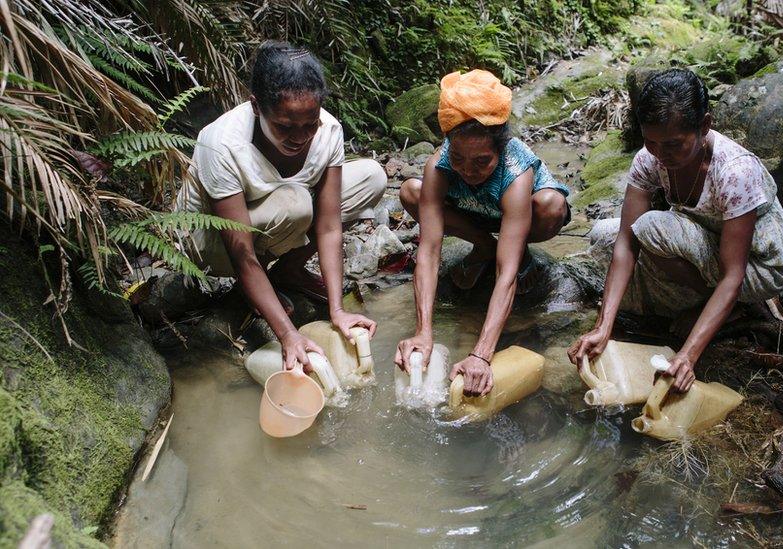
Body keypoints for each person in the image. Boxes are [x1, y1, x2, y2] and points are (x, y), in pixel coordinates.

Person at [568, 68, 783, 392]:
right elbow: (624, 241)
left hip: (758, 266)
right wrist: (603, 326)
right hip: (705, 245)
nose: (661, 155)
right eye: (651, 142)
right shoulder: (650, 160)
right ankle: (708, 305)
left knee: (650, 227)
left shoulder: (734, 171)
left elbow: (732, 274)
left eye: (674, 144)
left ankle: (731, 308)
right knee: (603, 234)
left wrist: (688, 356)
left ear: (704, 125)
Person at [176, 40, 382, 371]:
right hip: (209, 241)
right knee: (297, 204)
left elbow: (329, 226)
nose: (299, 137)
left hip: (278, 216)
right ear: (256, 107)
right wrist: (288, 335)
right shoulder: (222, 143)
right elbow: (240, 254)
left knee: (372, 176)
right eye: (285, 126)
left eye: (309, 124)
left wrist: (337, 310)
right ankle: (257, 290)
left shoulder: (328, 130)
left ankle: (287, 273)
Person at [394, 69, 571, 396]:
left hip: (523, 217)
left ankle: (516, 248)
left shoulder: (516, 170)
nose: (468, 170)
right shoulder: (441, 164)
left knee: (551, 205)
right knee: (411, 192)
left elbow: (506, 274)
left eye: (482, 161)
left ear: (499, 150)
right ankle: (484, 246)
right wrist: (423, 332)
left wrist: (481, 353)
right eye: (459, 158)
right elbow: (430, 252)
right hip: (474, 213)